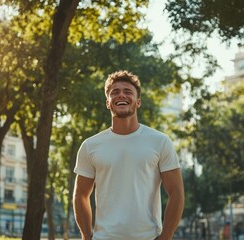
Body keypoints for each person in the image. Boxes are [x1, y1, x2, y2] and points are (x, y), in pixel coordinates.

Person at [73, 70, 185, 240]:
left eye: (127, 91)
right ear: (108, 103)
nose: (121, 95)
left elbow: (176, 192)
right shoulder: (90, 146)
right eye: (115, 92)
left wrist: (167, 235)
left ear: (138, 102)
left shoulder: (160, 142)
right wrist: (86, 236)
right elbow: (80, 195)